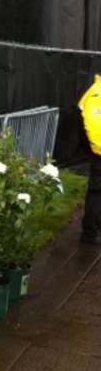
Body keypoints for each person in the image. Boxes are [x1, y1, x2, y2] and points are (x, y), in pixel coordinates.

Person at [79, 72, 101, 244]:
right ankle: (90, 233)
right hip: (100, 153)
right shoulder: (96, 93)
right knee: (97, 192)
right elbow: (95, 128)